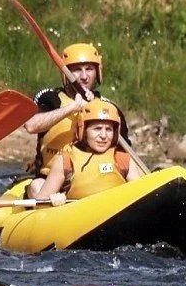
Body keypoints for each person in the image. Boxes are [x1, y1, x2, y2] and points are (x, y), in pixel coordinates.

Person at [20, 42, 132, 189]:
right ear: (65, 74)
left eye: (89, 69)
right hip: (51, 181)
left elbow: (126, 154)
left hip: (97, 179)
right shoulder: (50, 98)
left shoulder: (109, 108)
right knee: (36, 187)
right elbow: (31, 125)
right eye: (77, 70)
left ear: (98, 72)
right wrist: (72, 108)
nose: (84, 76)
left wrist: (93, 107)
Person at [30, 99, 142, 205]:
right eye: (97, 129)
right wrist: (53, 200)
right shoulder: (66, 161)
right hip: (78, 218)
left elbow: (141, 196)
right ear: (83, 131)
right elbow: (40, 203)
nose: (103, 136)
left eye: (108, 129)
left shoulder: (123, 160)